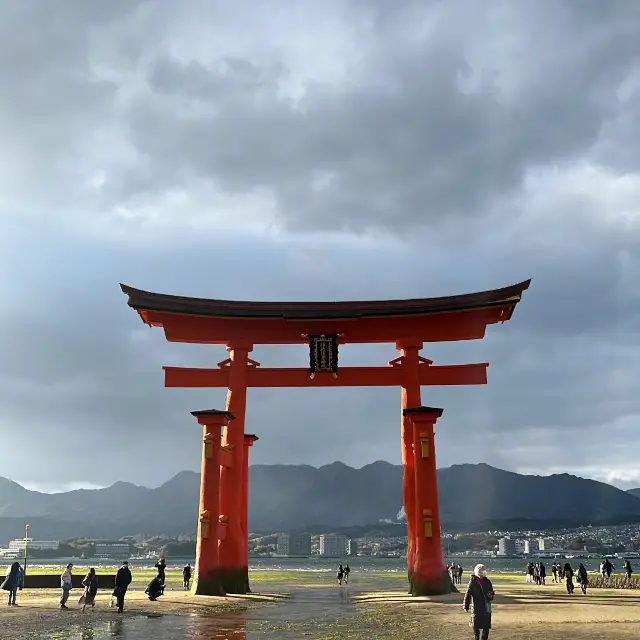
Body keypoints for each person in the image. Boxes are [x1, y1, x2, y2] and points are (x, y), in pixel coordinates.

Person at [464, 564, 494, 640]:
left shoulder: (487, 581)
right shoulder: (473, 581)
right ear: (478, 572)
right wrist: (466, 605)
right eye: (482, 570)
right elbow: (468, 594)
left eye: (484, 570)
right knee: (476, 626)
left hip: (486, 606)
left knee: (486, 627)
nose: (484, 572)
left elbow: (491, 592)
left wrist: (490, 595)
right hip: (476, 606)